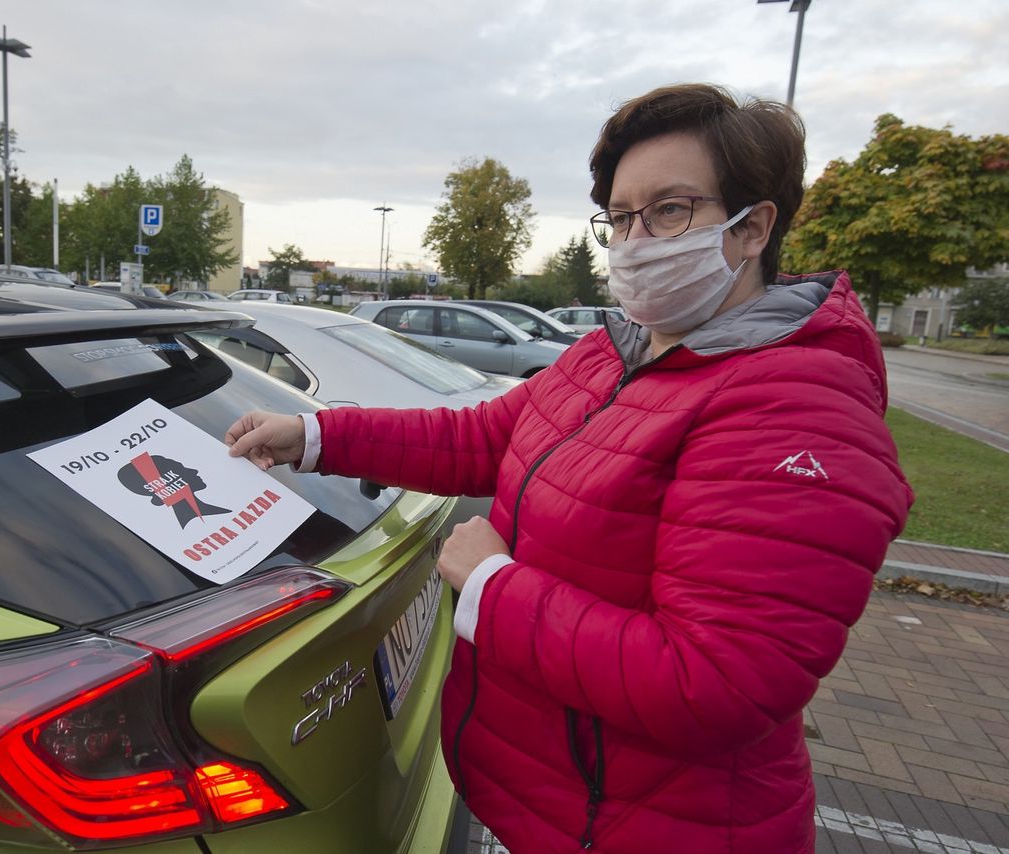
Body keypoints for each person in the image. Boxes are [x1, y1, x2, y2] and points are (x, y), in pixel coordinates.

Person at [225, 84, 912, 853]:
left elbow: (717, 685)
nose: (636, 239)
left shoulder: (793, 407)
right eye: (620, 218)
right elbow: (481, 438)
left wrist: (494, 588)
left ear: (752, 228)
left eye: (670, 211)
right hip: (567, 809)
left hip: (660, 829)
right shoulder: (617, 351)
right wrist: (315, 437)